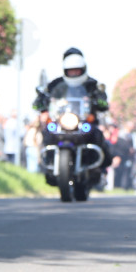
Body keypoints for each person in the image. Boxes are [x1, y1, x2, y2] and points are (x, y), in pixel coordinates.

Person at [34, 47, 112, 181]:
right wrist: (41, 101)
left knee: (98, 135)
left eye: (77, 70)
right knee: (47, 133)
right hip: (62, 121)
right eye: (71, 70)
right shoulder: (56, 84)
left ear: (83, 68)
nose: (74, 73)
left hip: (84, 122)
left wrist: (99, 100)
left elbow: (103, 103)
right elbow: (40, 101)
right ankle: (48, 163)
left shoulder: (92, 84)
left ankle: (99, 168)